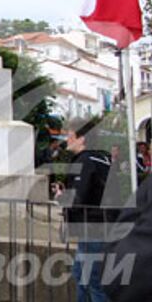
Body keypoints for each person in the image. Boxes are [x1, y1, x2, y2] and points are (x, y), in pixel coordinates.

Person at [52, 117, 111, 302]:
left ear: (81, 138)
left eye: (70, 135)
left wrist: (61, 197)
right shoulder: (103, 158)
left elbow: (78, 198)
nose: (67, 139)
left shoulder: (85, 161)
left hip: (92, 228)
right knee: (82, 276)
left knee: (93, 281)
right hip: (102, 226)